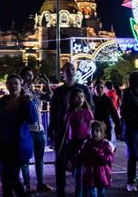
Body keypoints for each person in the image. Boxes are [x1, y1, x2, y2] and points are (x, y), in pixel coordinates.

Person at [49, 62, 94, 197]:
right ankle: (60, 188)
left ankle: (83, 188)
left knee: (83, 160)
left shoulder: (83, 89)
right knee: (60, 159)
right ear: (63, 72)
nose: (70, 71)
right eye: (67, 69)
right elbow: (54, 111)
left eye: (72, 69)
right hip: (63, 130)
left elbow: (90, 107)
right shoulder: (59, 91)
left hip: (80, 131)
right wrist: (53, 128)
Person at [0, 74, 38, 197]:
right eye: (10, 83)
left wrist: (30, 104)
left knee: (12, 178)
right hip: (2, 145)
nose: (13, 86)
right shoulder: (2, 101)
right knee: (5, 179)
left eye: (16, 83)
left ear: (20, 85)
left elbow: (32, 120)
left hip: (18, 146)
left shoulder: (24, 101)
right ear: (7, 85)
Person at [19, 67, 54, 193]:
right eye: (27, 75)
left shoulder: (36, 92)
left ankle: (40, 183)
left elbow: (50, 97)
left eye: (31, 75)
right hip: (28, 131)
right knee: (25, 160)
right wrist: (23, 85)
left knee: (40, 160)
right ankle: (27, 184)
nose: (30, 78)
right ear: (22, 78)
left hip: (40, 131)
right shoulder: (21, 91)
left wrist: (47, 85)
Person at [64, 88, 94, 197]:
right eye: (77, 97)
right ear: (72, 99)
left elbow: (91, 128)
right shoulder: (69, 113)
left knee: (85, 172)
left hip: (85, 143)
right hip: (73, 144)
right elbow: (66, 130)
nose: (80, 99)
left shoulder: (87, 112)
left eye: (82, 97)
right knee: (77, 173)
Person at [75, 121, 115, 197]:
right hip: (89, 172)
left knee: (101, 192)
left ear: (102, 133)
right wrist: (77, 158)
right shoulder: (87, 143)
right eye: (93, 130)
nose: (94, 133)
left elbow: (110, 158)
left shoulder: (106, 145)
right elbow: (81, 155)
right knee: (91, 192)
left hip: (101, 172)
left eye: (97, 131)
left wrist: (100, 153)